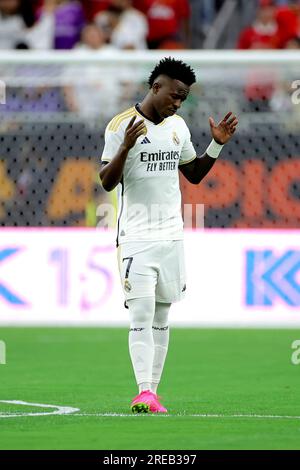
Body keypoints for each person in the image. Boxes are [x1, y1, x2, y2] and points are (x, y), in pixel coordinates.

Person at [99, 57, 238, 413]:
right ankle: (143, 390)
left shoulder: (177, 127)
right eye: (174, 95)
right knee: (141, 313)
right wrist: (126, 147)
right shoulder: (120, 126)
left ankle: (153, 394)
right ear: (156, 86)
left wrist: (216, 145)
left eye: (183, 99)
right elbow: (107, 181)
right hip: (136, 237)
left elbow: (192, 174)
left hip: (172, 237)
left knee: (162, 316)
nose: (177, 104)